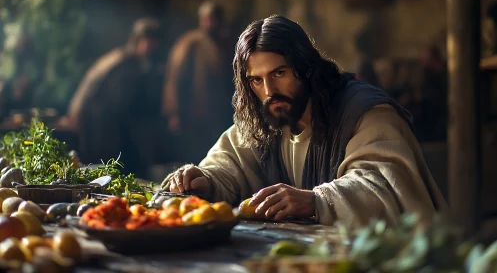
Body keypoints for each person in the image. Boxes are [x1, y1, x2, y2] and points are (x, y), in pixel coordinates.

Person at [161, 16, 446, 228]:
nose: (269, 91)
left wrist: (316, 200)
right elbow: (228, 163)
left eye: (280, 73)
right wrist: (204, 180)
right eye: (257, 80)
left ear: (306, 67)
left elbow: (386, 187)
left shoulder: (364, 112)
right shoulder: (267, 117)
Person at [64, 17, 165, 177]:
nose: (153, 46)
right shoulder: (125, 64)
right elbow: (118, 104)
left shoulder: (124, 58)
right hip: (98, 125)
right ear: (139, 40)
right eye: (150, 41)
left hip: (101, 122)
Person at [162, 1, 234, 164]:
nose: (211, 23)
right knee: (193, 155)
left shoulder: (226, 44)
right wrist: (174, 112)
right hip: (193, 113)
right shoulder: (189, 43)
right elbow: (174, 79)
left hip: (218, 113)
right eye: (208, 19)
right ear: (202, 19)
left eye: (215, 19)